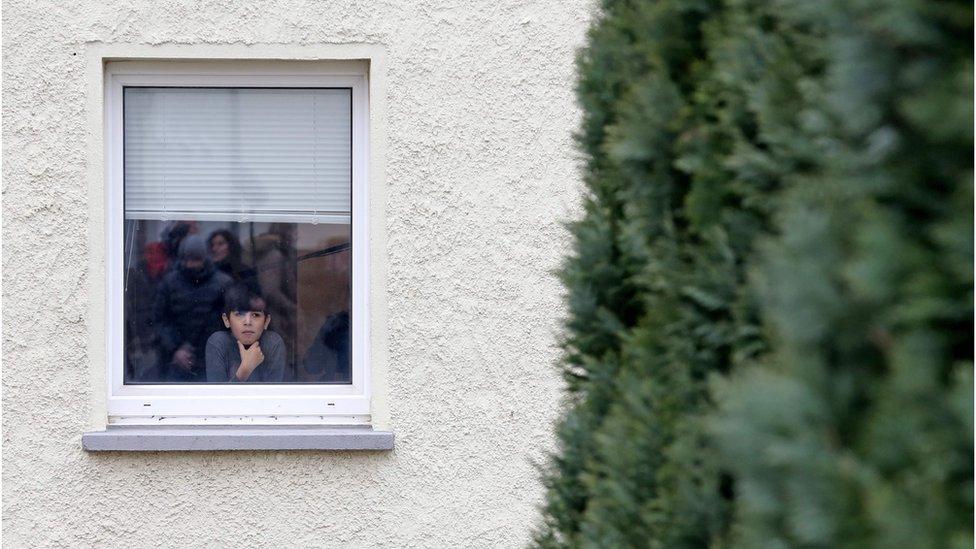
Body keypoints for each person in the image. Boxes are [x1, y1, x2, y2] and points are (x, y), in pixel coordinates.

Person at [152, 235, 233, 382]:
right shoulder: (169, 283)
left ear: (204, 258)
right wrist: (176, 348)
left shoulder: (223, 284)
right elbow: (160, 319)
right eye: (188, 259)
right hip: (177, 361)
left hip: (212, 361)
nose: (191, 264)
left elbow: (231, 325)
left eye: (196, 259)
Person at [205, 284, 286, 382]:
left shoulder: (272, 343)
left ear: (266, 321)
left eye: (255, 315)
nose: (247, 322)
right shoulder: (218, 343)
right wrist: (245, 370)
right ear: (226, 320)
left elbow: (275, 394)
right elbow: (217, 396)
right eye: (239, 314)